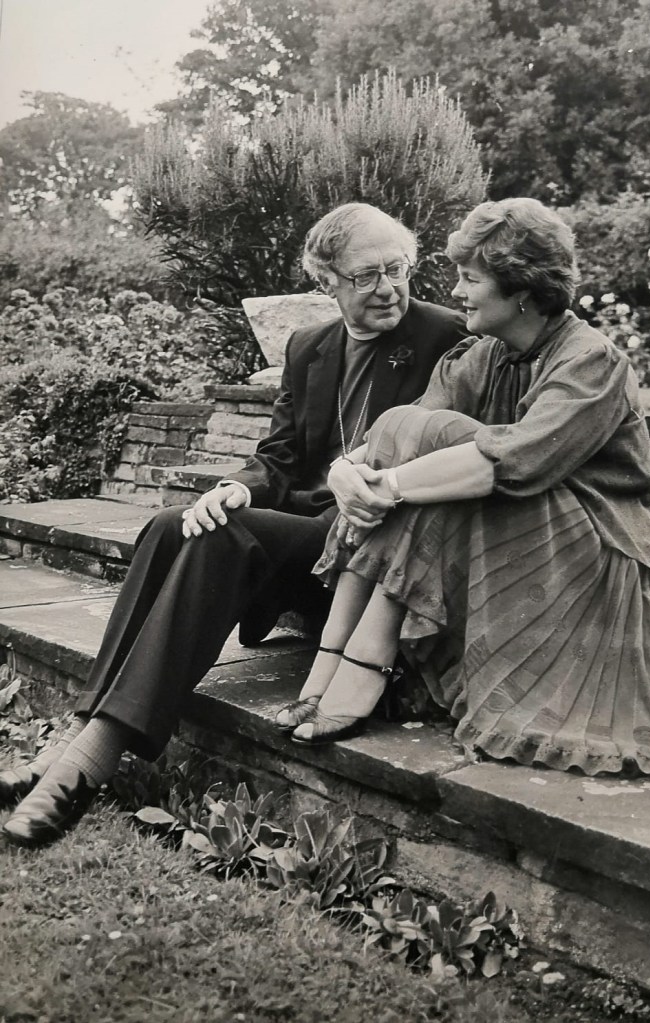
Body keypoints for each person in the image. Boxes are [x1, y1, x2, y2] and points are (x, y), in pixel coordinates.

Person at [0, 202, 466, 845]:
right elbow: (277, 458)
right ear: (325, 281)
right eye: (366, 276)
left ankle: (81, 766)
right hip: (300, 539)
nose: (389, 288)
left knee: (224, 535)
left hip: (369, 549)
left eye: (398, 268)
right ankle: (80, 737)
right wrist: (231, 489)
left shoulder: (447, 337)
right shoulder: (309, 347)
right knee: (174, 523)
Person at [279, 197, 650, 786]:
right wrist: (347, 470)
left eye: (470, 279)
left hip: (593, 545)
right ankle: (338, 659)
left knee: (438, 453)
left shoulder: (592, 362)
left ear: (522, 290)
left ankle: (360, 662)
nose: (457, 292)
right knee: (414, 431)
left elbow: (511, 464)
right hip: (514, 522)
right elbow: (401, 428)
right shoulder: (482, 354)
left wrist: (386, 486)